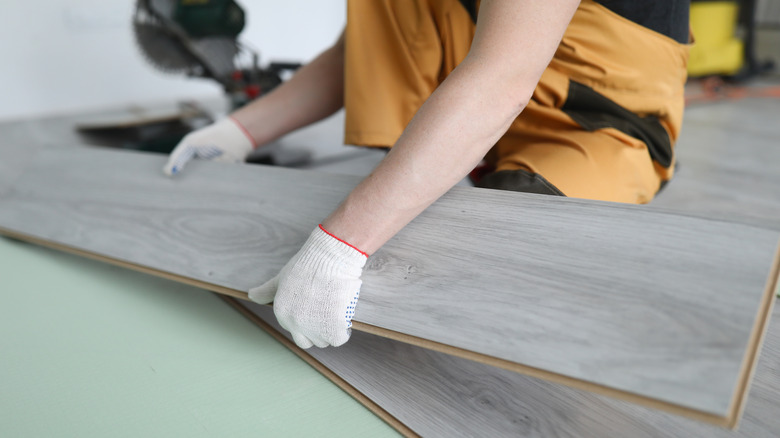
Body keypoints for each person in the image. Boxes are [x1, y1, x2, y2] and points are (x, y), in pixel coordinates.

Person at [163, 0, 691, 349]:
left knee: (501, 273)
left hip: (594, 126)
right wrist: (239, 132)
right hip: (487, 110)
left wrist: (340, 245)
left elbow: (503, 79)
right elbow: (355, 55)